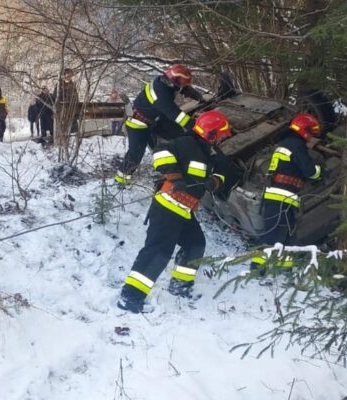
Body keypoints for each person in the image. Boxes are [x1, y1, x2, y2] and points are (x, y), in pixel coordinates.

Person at [117, 110, 234, 314]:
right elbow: (160, 152)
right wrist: (174, 176)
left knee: (195, 244)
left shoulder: (208, 153)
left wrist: (214, 181)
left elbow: (221, 173)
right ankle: (130, 296)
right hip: (168, 205)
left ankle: (180, 286)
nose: (222, 139)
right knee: (158, 251)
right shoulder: (186, 143)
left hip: (185, 210)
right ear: (211, 133)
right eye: (221, 135)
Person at [250, 113, 323, 273]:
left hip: (282, 197)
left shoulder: (287, 143)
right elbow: (310, 171)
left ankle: (284, 269)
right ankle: (256, 268)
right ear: (305, 130)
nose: (311, 138)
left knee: (285, 235)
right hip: (280, 197)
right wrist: (320, 171)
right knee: (272, 235)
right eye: (311, 133)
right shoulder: (296, 145)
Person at [114, 64, 205, 186]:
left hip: (153, 119)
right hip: (137, 123)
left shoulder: (164, 82)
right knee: (135, 154)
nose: (183, 86)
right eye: (182, 83)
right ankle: (121, 182)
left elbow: (181, 88)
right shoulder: (160, 94)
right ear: (174, 81)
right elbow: (176, 115)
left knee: (174, 136)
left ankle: (170, 166)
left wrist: (197, 96)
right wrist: (196, 128)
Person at [54, 68, 79, 137]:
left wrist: (77, 105)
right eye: (68, 74)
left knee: (73, 123)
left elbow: (76, 96)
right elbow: (55, 96)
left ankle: (74, 136)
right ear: (64, 75)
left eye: (71, 75)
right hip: (63, 109)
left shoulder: (73, 85)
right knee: (64, 124)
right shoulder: (59, 85)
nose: (69, 76)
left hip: (72, 108)